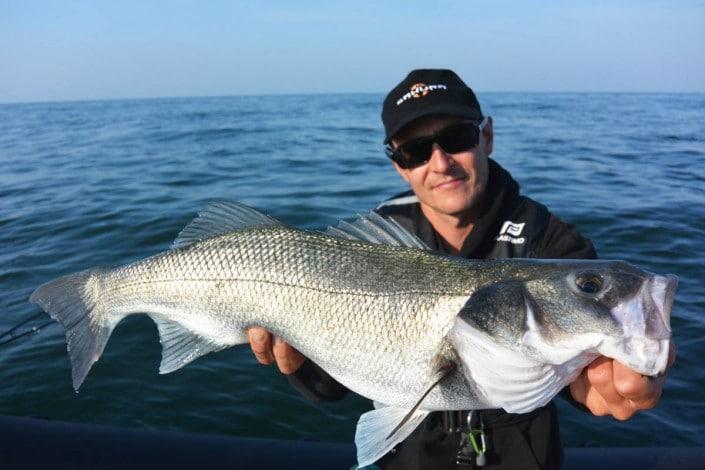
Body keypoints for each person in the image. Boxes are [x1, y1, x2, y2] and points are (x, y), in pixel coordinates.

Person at [245, 69, 675, 469]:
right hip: (410, 456)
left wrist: (598, 389)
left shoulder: (552, 242)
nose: (440, 162)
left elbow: (584, 374)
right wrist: (298, 361)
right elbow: (331, 389)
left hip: (523, 456)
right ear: (398, 163)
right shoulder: (368, 243)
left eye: (456, 137)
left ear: (487, 136)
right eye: (414, 150)